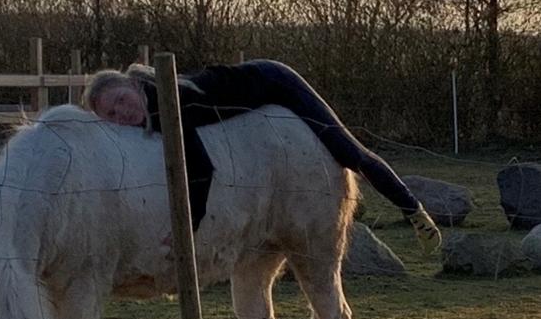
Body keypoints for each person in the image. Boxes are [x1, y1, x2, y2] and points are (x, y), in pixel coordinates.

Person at [82, 59, 440, 247]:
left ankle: (413, 209)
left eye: (120, 102)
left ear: (132, 86)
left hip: (274, 82)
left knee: (349, 153)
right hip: (257, 93)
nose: (122, 115)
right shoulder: (151, 117)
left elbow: (201, 170)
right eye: (111, 116)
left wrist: (186, 228)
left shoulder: (167, 104)